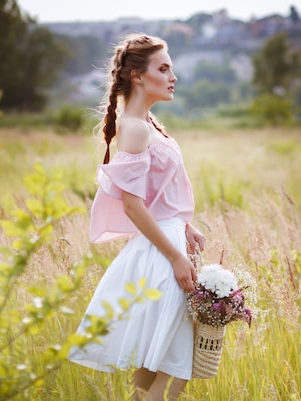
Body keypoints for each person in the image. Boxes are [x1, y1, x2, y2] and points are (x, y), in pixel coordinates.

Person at [68, 33, 206, 401]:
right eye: (163, 68)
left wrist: (186, 226)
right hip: (161, 253)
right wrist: (175, 256)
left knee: (157, 367)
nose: (173, 76)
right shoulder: (134, 127)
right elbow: (132, 205)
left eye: (172, 68)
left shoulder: (147, 122)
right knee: (175, 366)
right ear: (138, 76)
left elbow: (155, 194)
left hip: (169, 240)